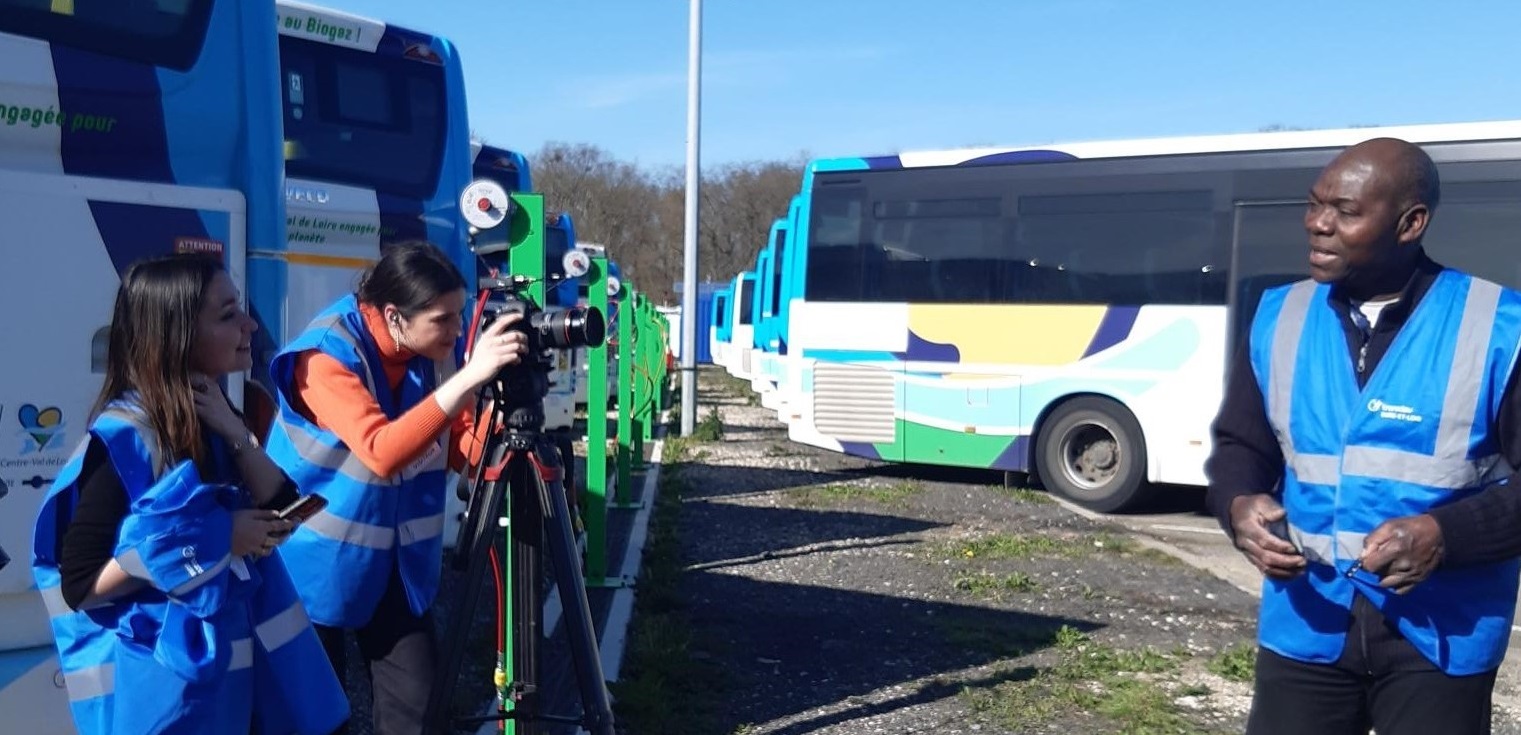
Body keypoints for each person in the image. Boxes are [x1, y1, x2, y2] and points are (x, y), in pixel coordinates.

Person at [1206, 137, 1521, 735]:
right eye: (1314, 203)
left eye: (1345, 212)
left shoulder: (1500, 327)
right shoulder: (1280, 316)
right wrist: (1237, 503)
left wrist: (1444, 535)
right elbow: (1241, 447)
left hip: (1440, 638)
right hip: (1306, 627)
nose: (1318, 224)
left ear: (1411, 223)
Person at [31, 253, 349, 735]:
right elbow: (79, 585)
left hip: (230, 691)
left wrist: (235, 433)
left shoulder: (214, 414)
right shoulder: (125, 438)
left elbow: (284, 511)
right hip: (170, 698)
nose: (249, 325)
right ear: (176, 335)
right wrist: (219, 538)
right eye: (227, 315)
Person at [263, 241, 528, 734]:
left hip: (395, 566)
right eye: (443, 319)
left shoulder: (437, 352)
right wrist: (470, 377)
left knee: (421, 709)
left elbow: (461, 445)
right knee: (316, 717)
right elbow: (381, 451)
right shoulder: (324, 354)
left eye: (459, 316)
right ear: (395, 316)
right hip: (310, 562)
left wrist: (507, 416)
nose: (455, 330)